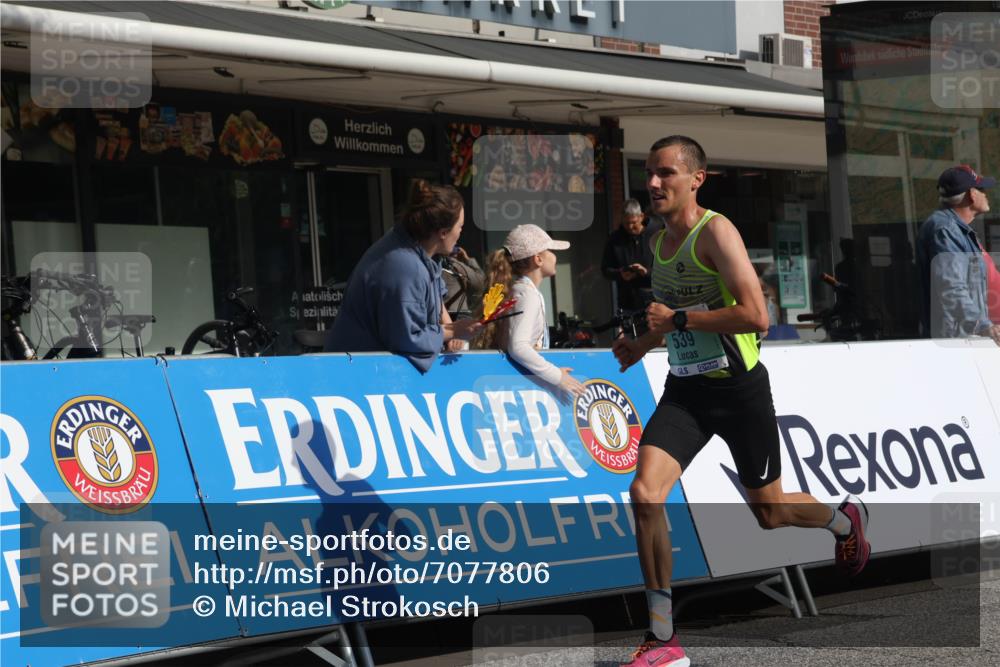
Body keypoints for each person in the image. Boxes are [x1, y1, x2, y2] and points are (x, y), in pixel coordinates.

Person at [613, 137, 871, 667]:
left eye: (666, 174)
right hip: (686, 391)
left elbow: (756, 315)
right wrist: (642, 343)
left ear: (695, 179)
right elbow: (671, 315)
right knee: (644, 494)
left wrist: (678, 320)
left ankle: (844, 520)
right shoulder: (657, 244)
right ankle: (663, 640)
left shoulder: (717, 233)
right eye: (649, 174)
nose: (654, 184)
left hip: (738, 390)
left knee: (770, 512)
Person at [324, 179, 481, 371]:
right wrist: (453, 331)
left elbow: (436, 296)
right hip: (357, 373)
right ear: (443, 232)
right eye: (460, 227)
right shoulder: (405, 267)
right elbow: (408, 339)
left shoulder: (412, 246)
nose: (461, 233)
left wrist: (450, 327)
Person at [474, 224, 586, 398]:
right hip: (517, 388)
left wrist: (553, 371)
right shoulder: (527, 294)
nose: (555, 255)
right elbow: (518, 347)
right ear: (538, 259)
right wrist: (557, 377)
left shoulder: (522, 290)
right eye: (550, 249)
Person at [916, 164, 1000, 345]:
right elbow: (951, 288)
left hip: (963, 342)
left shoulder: (957, 230)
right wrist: (984, 325)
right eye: (982, 189)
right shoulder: (945, 230)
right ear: (971, 194)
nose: (985, 194)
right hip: (954, 346)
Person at [602, 199, 654, 312]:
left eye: (634, 222)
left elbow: (667, 268)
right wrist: (620, 273)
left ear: (641, 217)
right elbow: (605, 270)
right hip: (627, 303)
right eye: (626, 223)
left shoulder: (654, 236)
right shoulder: (614, 239)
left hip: (654, 301)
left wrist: (646, 272)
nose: (630, 227)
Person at [441, 245, 486, 319]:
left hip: (440, 315)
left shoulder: (432, 265)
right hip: (458, 314)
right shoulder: (456, 265)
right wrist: (467, 259)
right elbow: (481, 282)